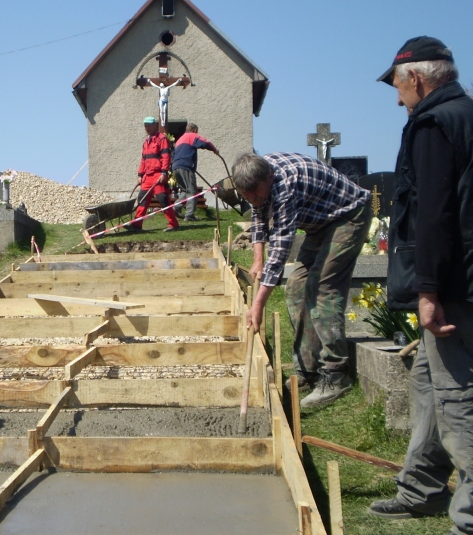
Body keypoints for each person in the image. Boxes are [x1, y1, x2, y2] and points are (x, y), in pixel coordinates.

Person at [368, 37, 473, 532]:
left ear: (417, 78)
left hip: (454, 287)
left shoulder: (432, 125)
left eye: (397, 86)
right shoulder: (464, 115)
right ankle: (422, 489)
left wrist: (429, 291)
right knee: (428, 383)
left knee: (457, 399)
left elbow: (435, 214)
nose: (396, 98)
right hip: (456, 278)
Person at [232, 152, 371, 408]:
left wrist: (259, 305)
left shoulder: (286, 186)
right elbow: (259, 217)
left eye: (257, 194)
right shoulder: (255, 180)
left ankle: (335, 373)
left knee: (322, 287)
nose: (253, 199)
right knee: (295, 287)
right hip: (320, 224)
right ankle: (308, 370)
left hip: (348, 217)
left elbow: (281, 248)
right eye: (246, 195)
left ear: (270, 178)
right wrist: (257, 258)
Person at [128, 117, 179, 232]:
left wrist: (164, 172)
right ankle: (136, 225)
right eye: (145, 126)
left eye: (149, 126)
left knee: (163, 198)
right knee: (142, 200)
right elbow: (143, 160)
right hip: (147, 176)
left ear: (155, 126)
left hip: (158, 175)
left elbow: (166, 156)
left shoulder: (162, 139)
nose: (147, 128)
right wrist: (140, 175)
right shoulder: (146, 142)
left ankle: (174, 224)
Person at [172, 123, 219, 221]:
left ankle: (176, 208)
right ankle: (189, 215)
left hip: (175, 167)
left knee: (185, 190)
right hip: (186, 166)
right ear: (194, 130)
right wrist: (215, 150)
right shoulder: (192, 136)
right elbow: (205, 142)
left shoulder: (180, 139)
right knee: (192, 191)